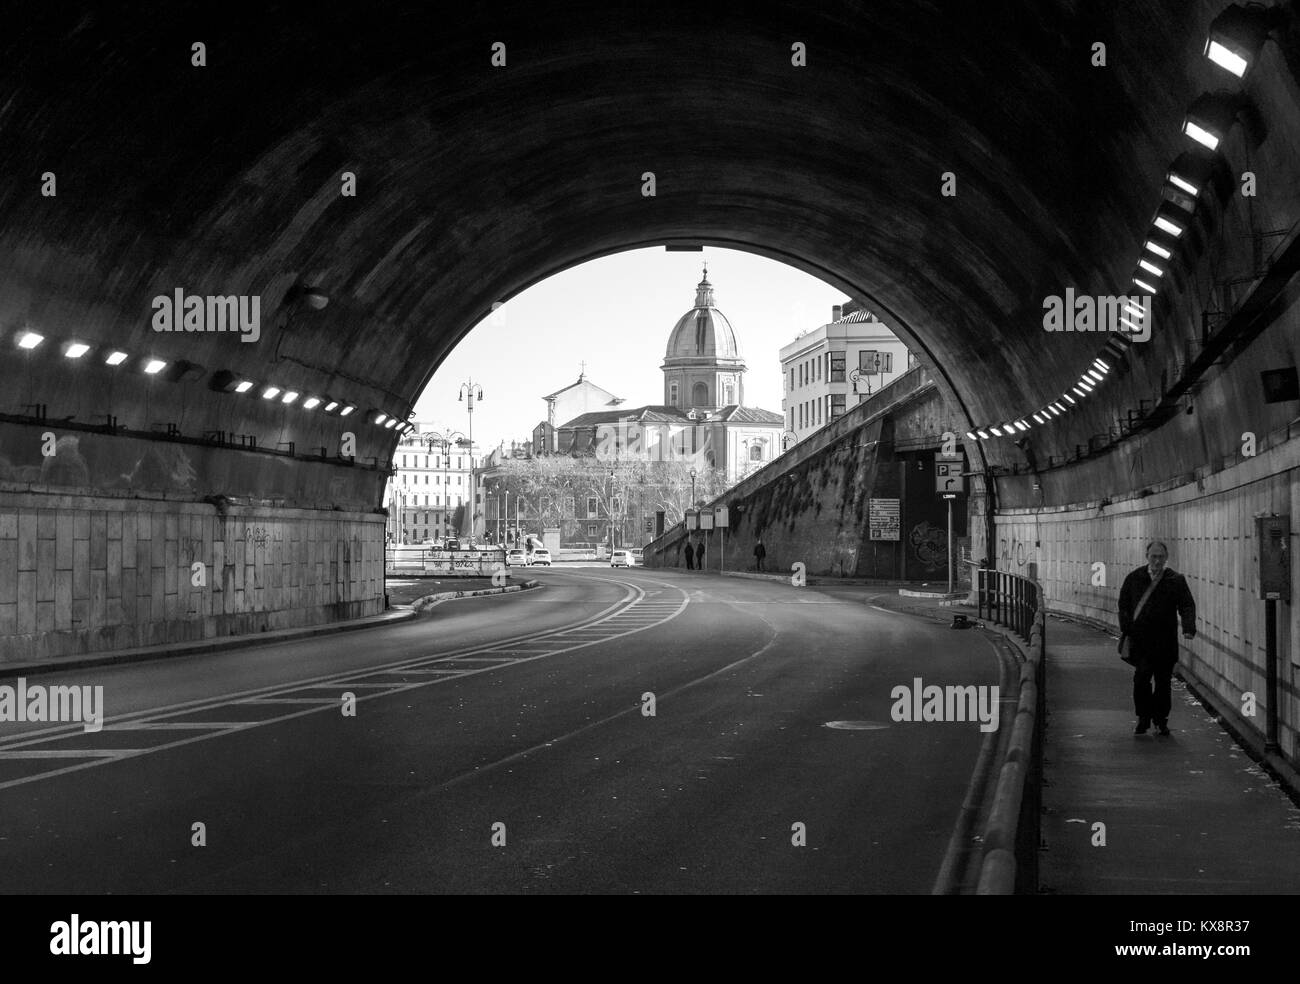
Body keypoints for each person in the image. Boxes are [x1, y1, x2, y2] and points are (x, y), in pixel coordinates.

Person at [1118, 540, 1197, 736]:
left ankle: (1161, 720)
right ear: (1147, 557)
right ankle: (1143, 718)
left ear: (1166, 558)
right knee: (1141, 679)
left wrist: (1188, 627)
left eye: (1161, 557)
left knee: (1163, 683)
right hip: (1141, 641)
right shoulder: (1134, 578)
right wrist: (1127, 628)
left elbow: (1186, 605)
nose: (1157, 560)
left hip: (1165, 642)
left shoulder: (1175, 580)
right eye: (1154, 556)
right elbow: (1124, 605)